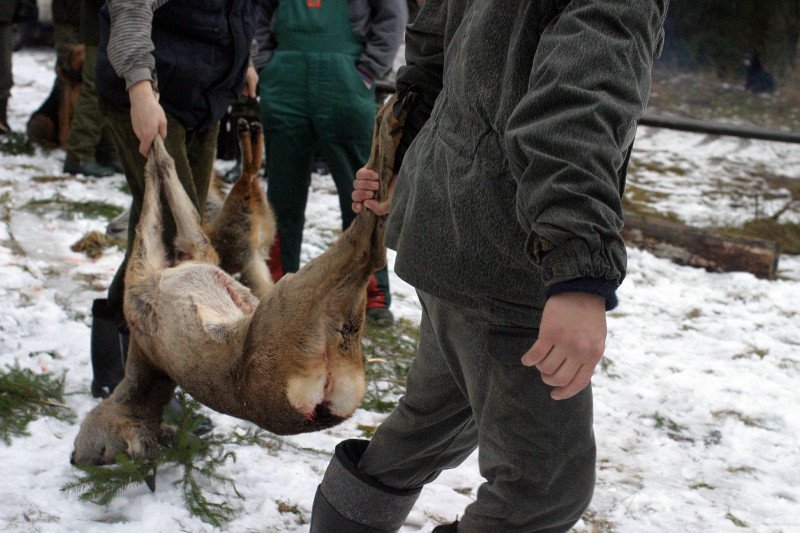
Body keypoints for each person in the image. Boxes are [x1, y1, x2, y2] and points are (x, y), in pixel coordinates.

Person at [310, 1, 668, 532]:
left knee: (430, 424)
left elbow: (430, 51)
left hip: (447, 226)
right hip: (507, 255)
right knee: (542, 491)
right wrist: (577, 271)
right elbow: (575, 110)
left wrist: (401, 160)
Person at [87, 0, 259, 400]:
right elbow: (129, 8)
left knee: (165, 229)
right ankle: (145, 382)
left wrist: (243, 60)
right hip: (150, 93)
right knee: (173, 242)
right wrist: (140, 91)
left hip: (205, 98)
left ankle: (112, 358)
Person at [256, 0, 407, 326]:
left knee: (364, 194)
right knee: (282, 195)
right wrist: (267, 63)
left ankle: (371, 294)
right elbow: (258, 11)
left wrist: (367, 71)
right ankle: (276, 286)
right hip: (285, 82)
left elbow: (392, 15)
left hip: (345, 84)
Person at [62, 0, 120, 177]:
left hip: (119, 27)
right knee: (94, 90)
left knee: (112, 92)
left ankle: (108, 152)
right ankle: (79, 154)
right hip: (100, 26)